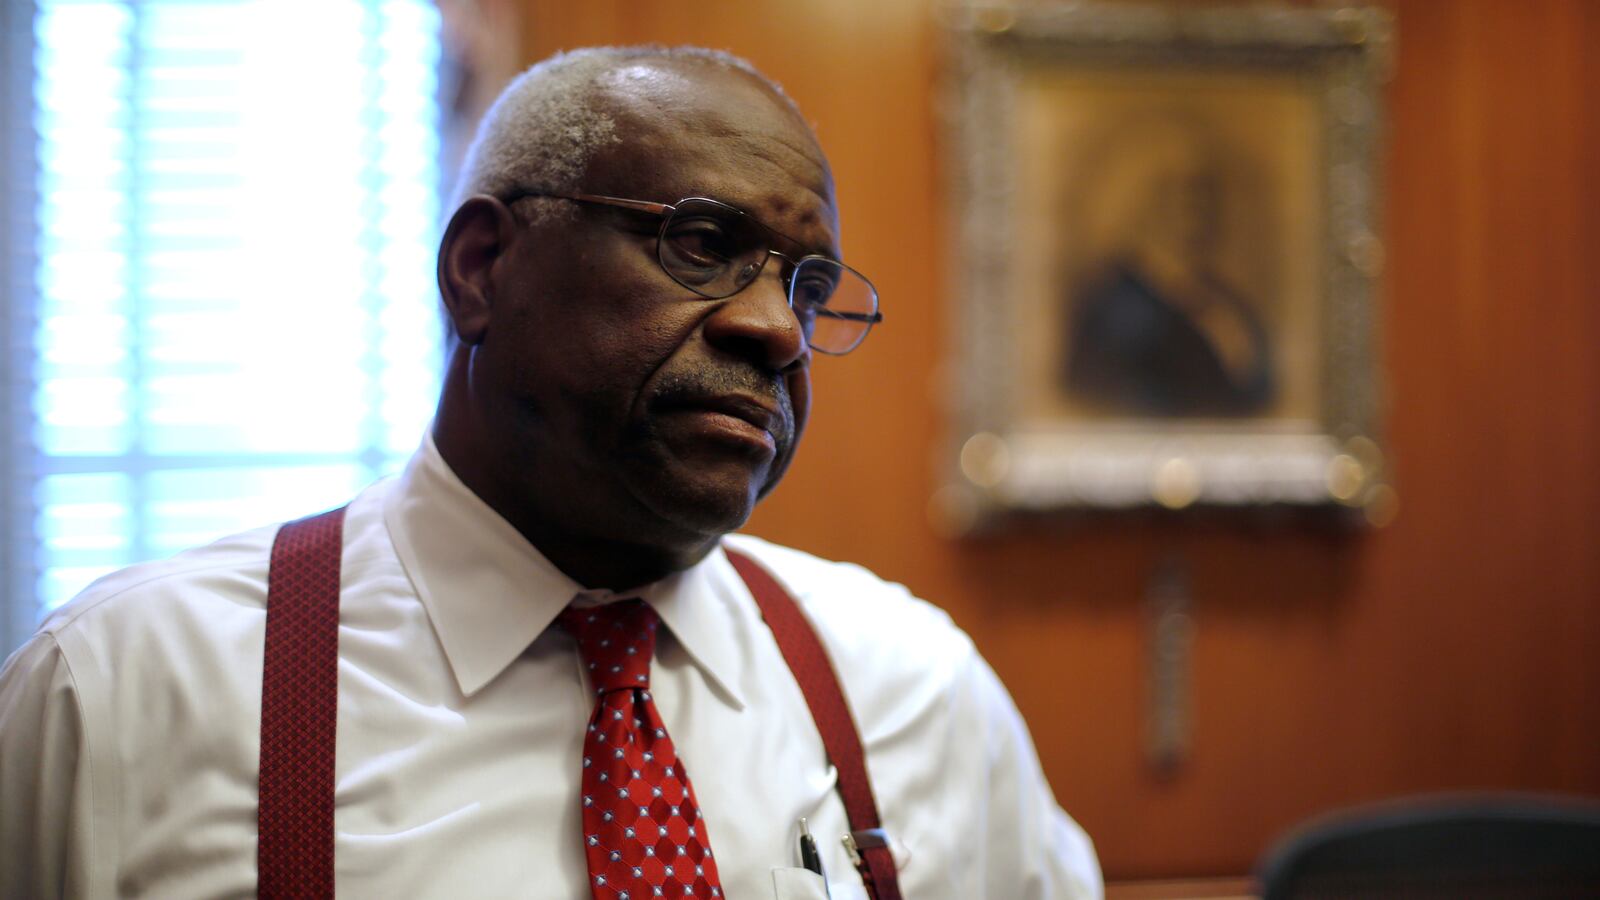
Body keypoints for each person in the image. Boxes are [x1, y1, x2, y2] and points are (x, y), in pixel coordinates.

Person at [0, 46, 1101, 899]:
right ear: (481, 269)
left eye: (809, 289)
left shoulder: (907, 689)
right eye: (701, 246)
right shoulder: (128, 693)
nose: (777, 331)